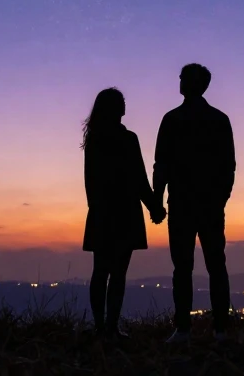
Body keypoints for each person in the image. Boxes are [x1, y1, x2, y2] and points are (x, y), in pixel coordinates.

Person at [152, 63, 236, 343]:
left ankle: (184, 329)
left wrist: (157, 200)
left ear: (191, 83)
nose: (178, 80)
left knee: (183, 267)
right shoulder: (219, 120)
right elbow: (229, 167)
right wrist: (220, 198)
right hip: (209, 205)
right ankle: (221, 329)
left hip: (183, 204)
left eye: (182, 77)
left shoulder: (172, 119)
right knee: (216, 264)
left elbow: (161, 165)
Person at [81, 87, 166, 339]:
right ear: (115, 107)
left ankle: (101, 327)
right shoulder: (128, 138)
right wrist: (155, 207)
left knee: (101, 271)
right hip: (125, 212)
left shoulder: (94, 138)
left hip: (102, 212)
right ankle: (110, 328)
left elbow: (90, 182)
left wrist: (96, 208)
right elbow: (139, 178)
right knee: (117, 273)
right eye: (122, 102)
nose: (125, 105)